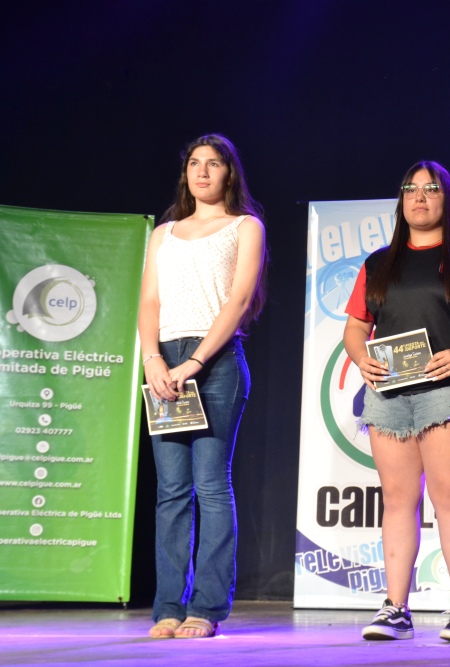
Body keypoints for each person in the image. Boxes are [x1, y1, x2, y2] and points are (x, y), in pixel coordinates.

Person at [343, 161, 450, 644]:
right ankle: (395, 607)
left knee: (449, 495)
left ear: (447, 200)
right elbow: (356, 327)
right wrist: (361, 359)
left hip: (449, 388)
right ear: (401, 201)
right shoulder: (379, 263)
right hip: (390, 393)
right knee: (398, 500)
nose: (420, 197)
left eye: (431, 189)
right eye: (411, 189)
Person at [139, 134, 267, 639]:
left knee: (211, 485)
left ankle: (207, 607)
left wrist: (194, 361)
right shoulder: (164, 233)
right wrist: (153, 358)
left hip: (213, 361)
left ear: (229, 174)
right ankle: (168, 605)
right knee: (170, 491)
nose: (203, 171)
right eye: (195, 163)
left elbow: (237, 301)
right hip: (162, 360)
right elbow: (149, 300)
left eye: (214, 164)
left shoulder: (244, 226)